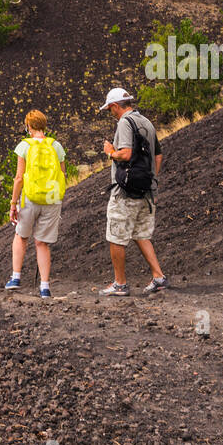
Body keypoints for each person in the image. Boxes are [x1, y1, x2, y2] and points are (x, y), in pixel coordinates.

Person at [98, 86, 167, 296]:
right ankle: (158, 277)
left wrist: (110, 152)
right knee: (140, 234)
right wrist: (150, 180)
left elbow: (126, 154)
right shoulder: (146, 122)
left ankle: (120, 284)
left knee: (116, 236)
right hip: (146, 191)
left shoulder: (125, 123)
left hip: (125, 191)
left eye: (110, 109)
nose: (111, 114)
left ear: (115, 106)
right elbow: (158, 156)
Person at [5, 110, 66, 298]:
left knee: (21, 236)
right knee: (42, 243)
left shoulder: (24, 146)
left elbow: (18, 178)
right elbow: (63, 174)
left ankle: (16, 277)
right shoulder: (56, 146)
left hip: (30, 198)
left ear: (28, 126)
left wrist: (13, 203)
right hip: (52, 199)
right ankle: (45, 287)